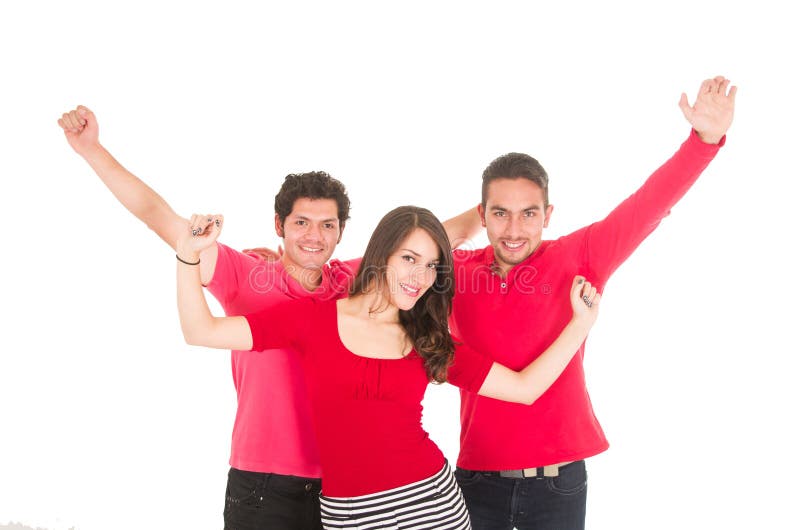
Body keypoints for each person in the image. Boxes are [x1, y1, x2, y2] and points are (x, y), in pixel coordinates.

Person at [57, 107, 481, 530]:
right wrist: (93, 150)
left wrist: (505, 210)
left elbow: (435, 238)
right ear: (279, 224)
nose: (314, 236)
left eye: (326, 225)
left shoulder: (356, 282)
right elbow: (159, 217)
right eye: (301, 222)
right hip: (264, 485)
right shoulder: (246, 276)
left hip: (344, 492)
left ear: (341, 231)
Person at [175, 205, 600, 529]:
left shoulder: (426, 340)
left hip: (431, 504)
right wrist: (188, 257)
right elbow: (202, 330)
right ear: (381, 256)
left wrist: (581, 325)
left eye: (433, 265)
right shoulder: (313, 318)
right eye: (410, 259)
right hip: (349, 514)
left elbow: (525, 388)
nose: (421, 276)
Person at [450, 76, 737, 529]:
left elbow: (646, 206)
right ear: (481, 214)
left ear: (548, 215)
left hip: (558, 484)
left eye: (529, 214)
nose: (514, 229)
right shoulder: (454, 272)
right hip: (475, 482)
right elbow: (395, 255)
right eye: (499, 213)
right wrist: (465, 225)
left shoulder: (576, 255)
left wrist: (704, 140)